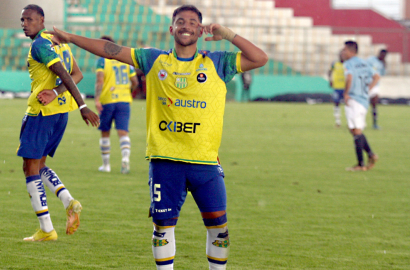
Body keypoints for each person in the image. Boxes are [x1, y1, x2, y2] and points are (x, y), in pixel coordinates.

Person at [44, 4, 267, 269]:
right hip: (165, 161)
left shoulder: (217, 62)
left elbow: (259, 58)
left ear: (200, 29)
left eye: (193, 22)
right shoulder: (154, 60)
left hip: (205, 163)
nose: (186, 26)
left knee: (219, 228)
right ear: (171, 28)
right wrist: (70, 38)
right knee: (163, 228)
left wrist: (228, 34)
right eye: (180, 21)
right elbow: (110, 51)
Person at [18, 4, 100, 242]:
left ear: (42, 20)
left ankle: (46, 229)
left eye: (29, 19)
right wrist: (57, 93)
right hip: (60, 113)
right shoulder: (60, 42)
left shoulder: (40, 45)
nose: (24, 23)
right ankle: (69, 202)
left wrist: (82, 105)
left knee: (30, 168)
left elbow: (65, 73)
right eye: (22, 20)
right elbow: (77, 73)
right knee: (39, 165)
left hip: (41, 113)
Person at [94, 36, 139, 173]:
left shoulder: (102, 61)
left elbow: (100, 81)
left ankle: (106, 166)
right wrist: (127, 92)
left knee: (105, 132)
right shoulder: (125, 60)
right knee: (123, 132)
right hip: (124, 101)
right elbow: (135, 82)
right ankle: (125, 160)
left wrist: (96, 99)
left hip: (108, 100)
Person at [342, 40, 380, 171]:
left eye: (345, 50)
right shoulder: (365, 63)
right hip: (363, 100)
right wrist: (368, 89)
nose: (343, 52)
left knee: (356, 130)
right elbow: (376, 76)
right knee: (353, 129)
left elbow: (349, 78)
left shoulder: (348, 64)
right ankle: (371, 155)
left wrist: (346, 93)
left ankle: (360, 164)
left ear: (350, 51)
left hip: (354, 99)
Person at [367, 49, 387, 129]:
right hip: (367, 84)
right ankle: (359, 123)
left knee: (374, 104)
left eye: (384, 56)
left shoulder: (382, 64)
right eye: (382, 54)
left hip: (375, 85)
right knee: (363, 104)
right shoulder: (371, 59)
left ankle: (375, 123)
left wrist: (385, 66)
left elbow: (382, 74)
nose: (382, 56)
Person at [328, 50, 346, 127]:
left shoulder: (348, 64)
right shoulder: (335, 63)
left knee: (348, 104)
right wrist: (330, 80)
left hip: (346, 87)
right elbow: (329, 71)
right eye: (340, 55)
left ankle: (351, 122)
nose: (341, 56)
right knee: (336, 103)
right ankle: (338, 121)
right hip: (337, 87)